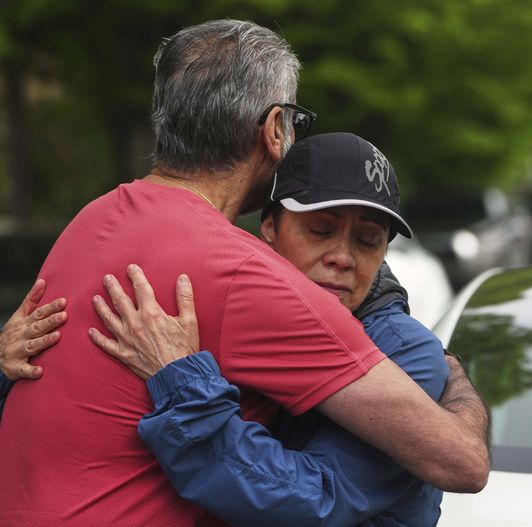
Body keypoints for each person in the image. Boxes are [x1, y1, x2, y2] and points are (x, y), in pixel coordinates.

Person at [0, 19, 488, 526]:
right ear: (275, 129)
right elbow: (461, 460)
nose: (342, 256)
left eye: (368, 240)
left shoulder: (92, 221)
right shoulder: (243, 274)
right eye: (319, 230)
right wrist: (454, 375)